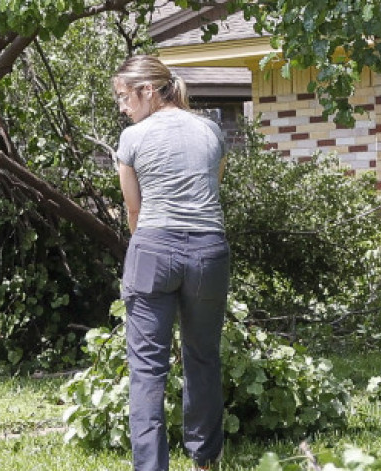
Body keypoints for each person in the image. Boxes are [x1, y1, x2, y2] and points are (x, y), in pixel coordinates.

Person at [113, 54, 231, 471]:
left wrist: (149, 250)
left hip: (153, 248)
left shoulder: (134, 138)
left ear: (148, 90)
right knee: (203, 357)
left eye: (125, 97)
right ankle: (205, 461)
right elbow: (212, 190)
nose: (124, 108)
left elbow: (133, 210)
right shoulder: (212, 130)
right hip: (208, 251)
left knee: (147, 368)